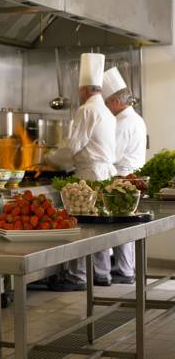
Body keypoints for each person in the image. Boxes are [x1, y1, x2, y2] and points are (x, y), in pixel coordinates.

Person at [45, 53, 117, 291]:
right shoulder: (107, 112)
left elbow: (72, 146)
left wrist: (48, 159)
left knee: (83, 225)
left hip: (89, 176)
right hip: (105, 175)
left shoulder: (86, 110)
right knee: (101, 226)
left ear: (84, 89)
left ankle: (78, 277)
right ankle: (102, 273)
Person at [102, 67, 147, 284]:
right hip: (133, 177)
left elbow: (113, 154)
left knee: (121, 227)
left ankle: (125, 271)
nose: (107, 107)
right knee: (126, 226)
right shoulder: (136, 119)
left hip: (123, 178)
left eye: (107, 103)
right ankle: (125, 269)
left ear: (115, 101)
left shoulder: (122, 123)